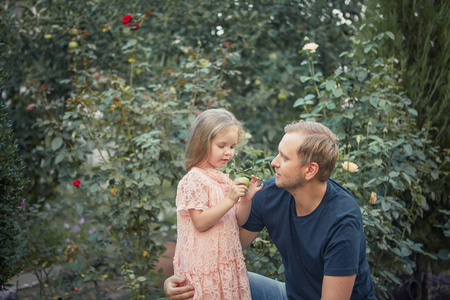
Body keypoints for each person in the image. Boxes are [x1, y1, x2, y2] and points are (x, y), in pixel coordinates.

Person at [164, 120, 375, 300]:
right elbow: (228, 245)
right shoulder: (272, 193)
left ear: (310, 170)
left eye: (284, 157)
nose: (274, 162)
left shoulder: (341, 220)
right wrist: (186, 280)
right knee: (216, 286)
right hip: (291, 295)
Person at [170, 108, 263, 300]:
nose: (228, 152)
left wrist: (245, 200)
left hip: (226, 265)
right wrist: (230, 199)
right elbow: (201, 223)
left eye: (232, 147)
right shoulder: (194, 179)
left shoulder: (223, 180)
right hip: (205, 269)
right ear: (201, 142)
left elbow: (237, 220)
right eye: (221, 146)